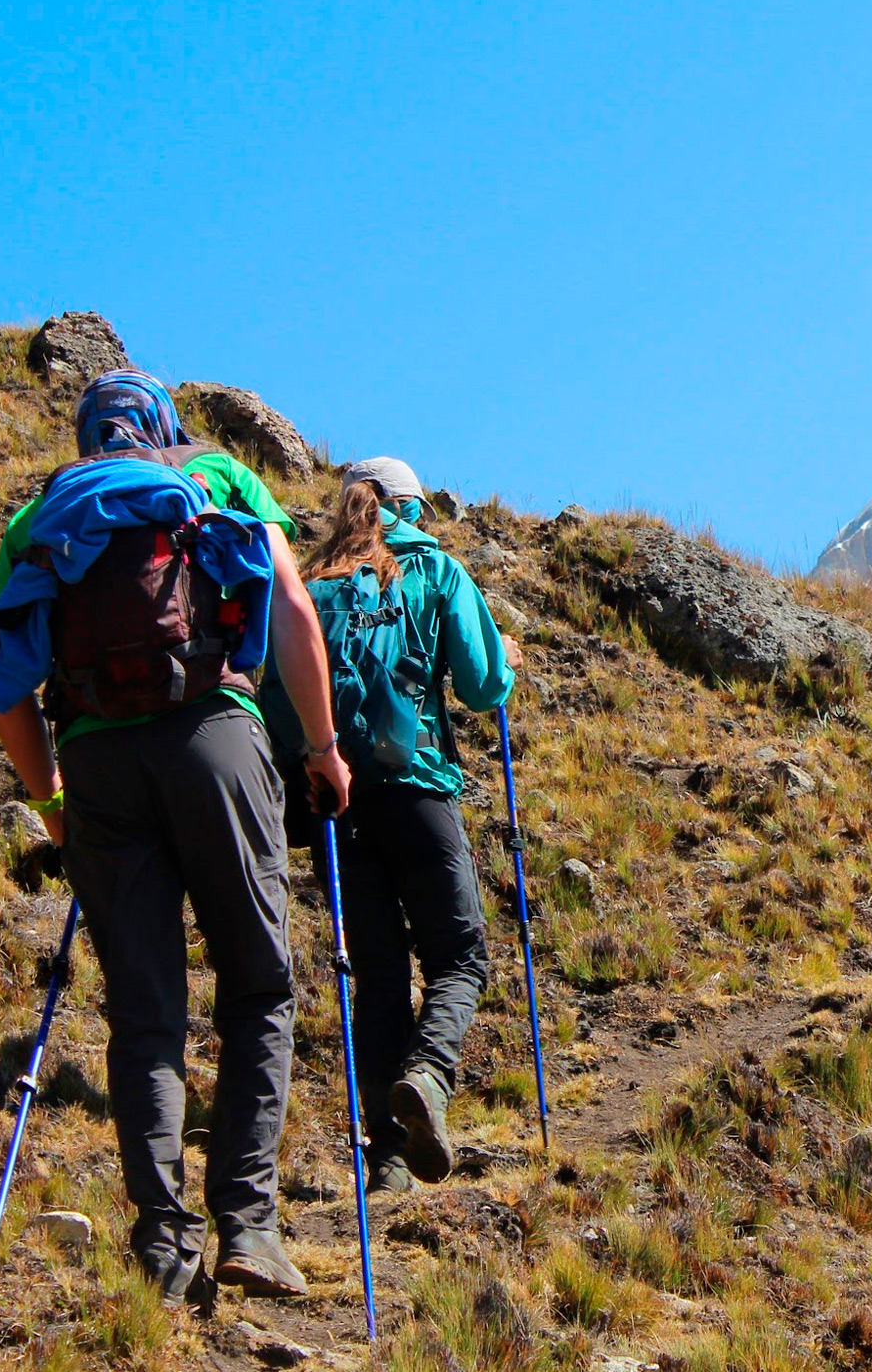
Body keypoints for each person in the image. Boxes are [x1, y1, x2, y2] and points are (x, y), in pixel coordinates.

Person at [0, 369, 350, 1304]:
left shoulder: (41, 520)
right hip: (214, 736)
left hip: (97, 759)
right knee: (258, 980)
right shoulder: (217, 475)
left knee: (143, 1011)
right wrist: (323, 748)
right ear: (162, 423)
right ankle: (250, 1229)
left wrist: (56, 804)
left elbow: (7, 691)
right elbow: (295, 611)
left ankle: (162, 1242)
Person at [265, 457, 516, 1193]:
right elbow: (481, 684)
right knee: (460, 958)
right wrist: (505, 664)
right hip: (419, 793)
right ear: (410, 508)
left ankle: (387, 1160)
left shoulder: (310, 583)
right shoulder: (433, 569)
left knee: (376, 977)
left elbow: (276, 691)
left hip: (338, 807)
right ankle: (429, 1078)